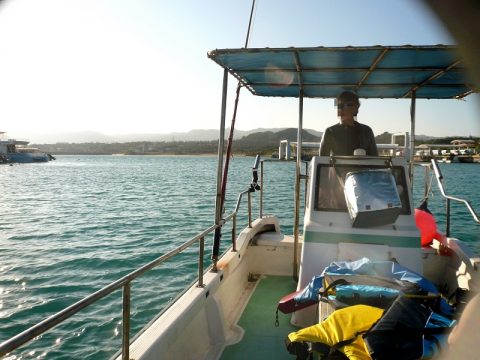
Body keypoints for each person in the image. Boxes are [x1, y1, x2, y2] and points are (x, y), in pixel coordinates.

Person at [319, 91, 378, 156]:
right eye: (339, 105)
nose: (342, 109)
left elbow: (375, 158)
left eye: (347, 105)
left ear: (356, 108)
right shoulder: (330, 132)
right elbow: (322, 161)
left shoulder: (367, 131)